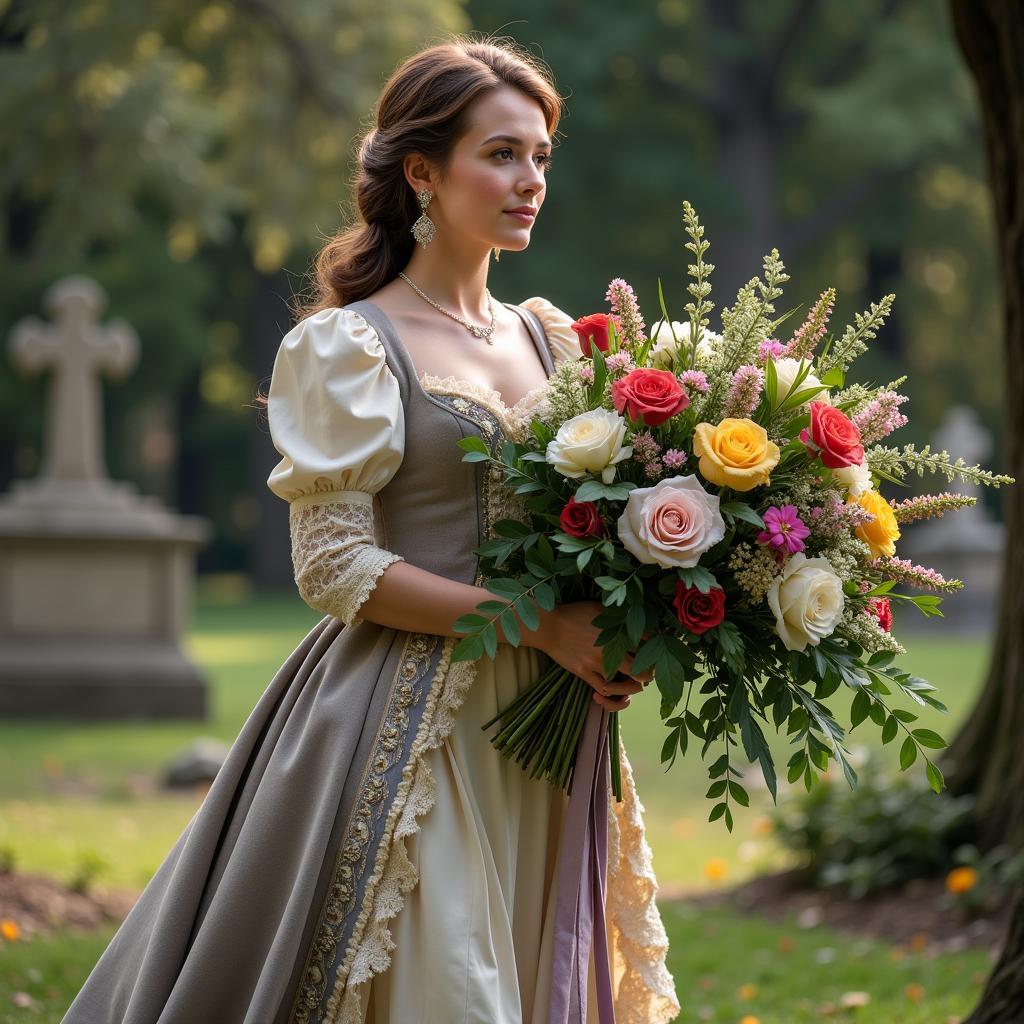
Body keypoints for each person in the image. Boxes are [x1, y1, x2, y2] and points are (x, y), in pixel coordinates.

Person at [62, 34, 680, 1024]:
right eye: (502, 154)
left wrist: (630, 615)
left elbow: (599, 529)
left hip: (547, 729)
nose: (529, 180)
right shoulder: (348, 343)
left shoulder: (553, 339)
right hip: (402, 723)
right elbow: (336, 565)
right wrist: (536, 626)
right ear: (422, 172)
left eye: (540, 157)